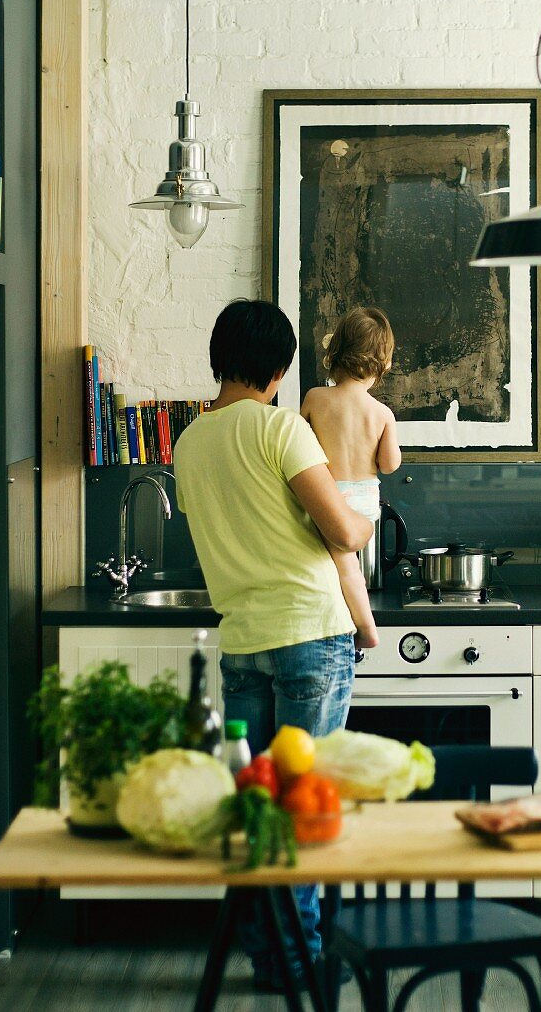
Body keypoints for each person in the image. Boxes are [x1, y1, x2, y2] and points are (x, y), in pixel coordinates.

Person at [173, 299, 372, 991]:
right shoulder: (280, 429)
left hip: (245, 642)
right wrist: (364, 522)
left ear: (220, 357)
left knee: (258, 804)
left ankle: (266, 953)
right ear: (281, 368)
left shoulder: (188, 442)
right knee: (301, 806)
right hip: (309, 637)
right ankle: (301, 961)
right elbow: (342, 533)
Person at [301, 306, 402, 648]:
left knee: (341, 566)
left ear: (335, 354)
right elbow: (389, 465)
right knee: (347, 564)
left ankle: (365, 629)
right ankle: (357, 620)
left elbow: (296, 445)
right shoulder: (382, 413)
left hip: (327, 496)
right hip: (364, 502)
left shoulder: (316, 398)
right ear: (383, 364)